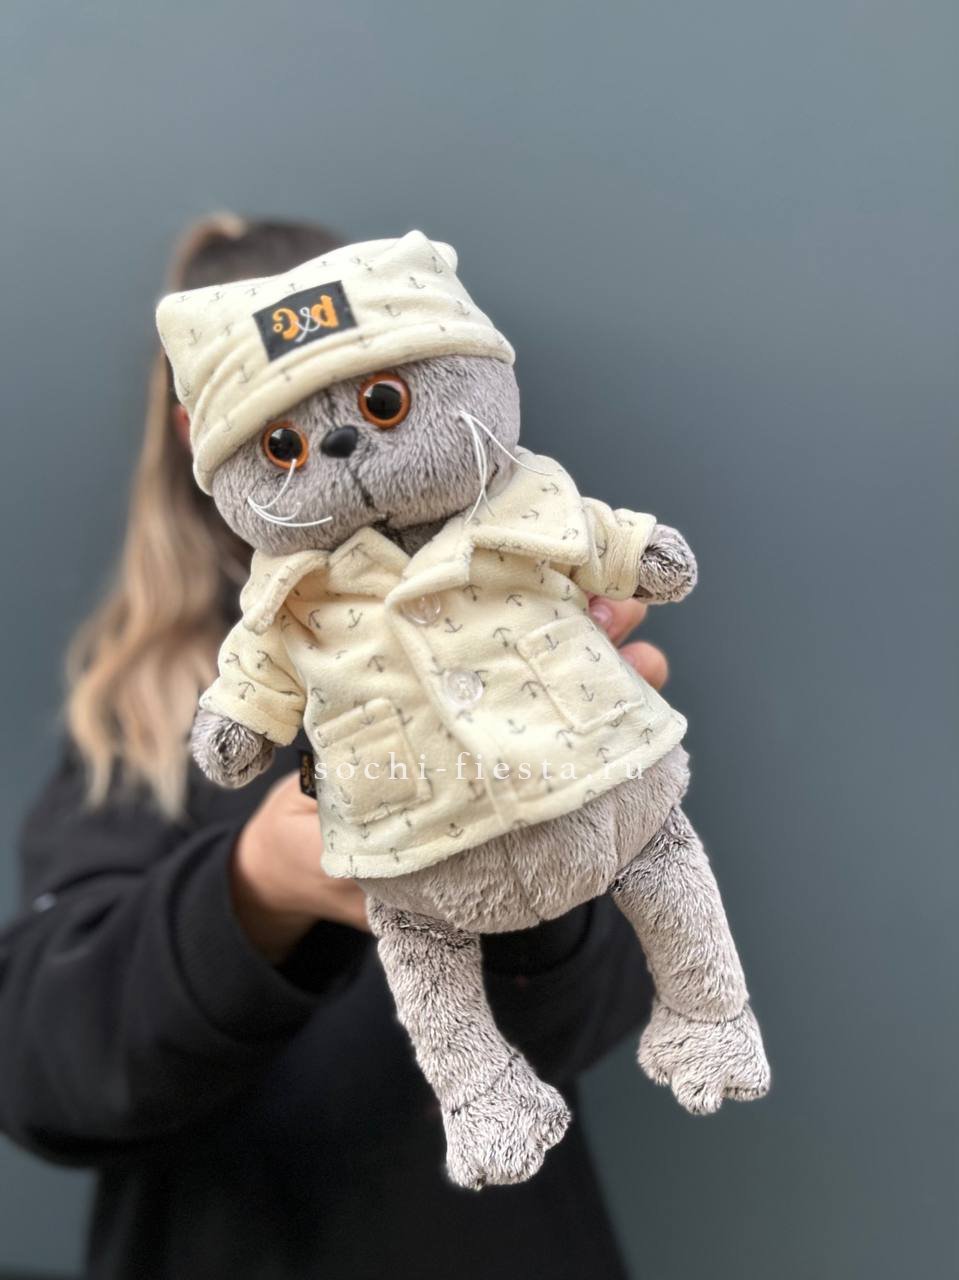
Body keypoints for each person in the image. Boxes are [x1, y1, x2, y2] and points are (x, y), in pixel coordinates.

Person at [0, 214, 673, 1280]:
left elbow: (604, 1009)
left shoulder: (530, 604)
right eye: (284, 420)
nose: (345, 438)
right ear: (199, 431)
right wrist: (256, 885)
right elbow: (45, 1075)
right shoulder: (138, 718)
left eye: (378, 393)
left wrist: (550, 837)